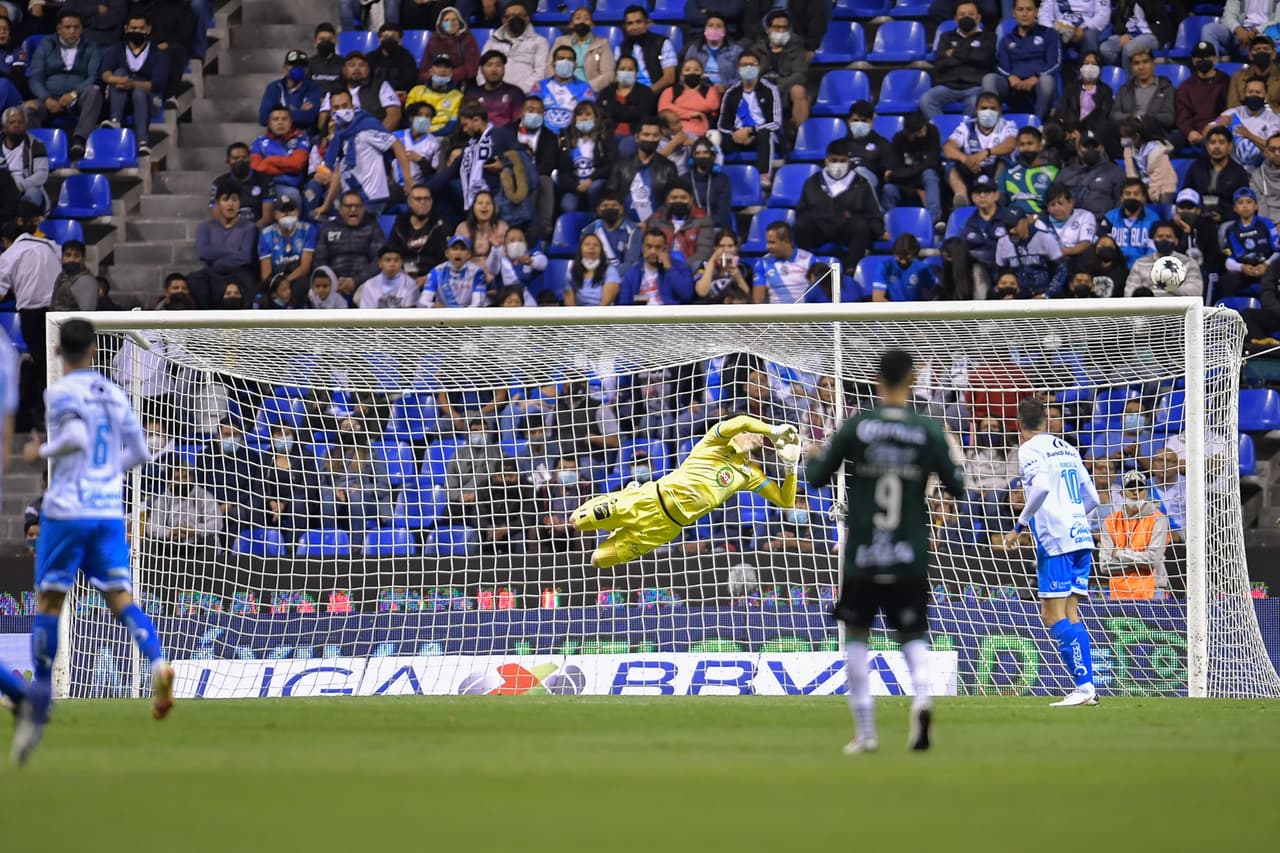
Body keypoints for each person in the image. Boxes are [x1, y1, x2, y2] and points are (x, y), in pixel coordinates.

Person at [11, 318, 175, 766]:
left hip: (66, 510)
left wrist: (37, 453)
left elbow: (76, 437)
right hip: (107, 510)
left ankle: (40, 695)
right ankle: (158, 663)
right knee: (121, 597)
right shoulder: (116, 394)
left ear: (59, 352)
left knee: (49, 601)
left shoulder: (60, 393)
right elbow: (141, 451)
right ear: (97, 350)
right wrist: (106, 473)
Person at [807, 349, 965, 753]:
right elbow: (958, 487)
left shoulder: (859, 426)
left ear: (878, 380)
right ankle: (924, 698)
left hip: (863, 555)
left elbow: (817, 478)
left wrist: (813, 457)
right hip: (908, 553)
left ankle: (866, 732)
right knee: (912, 635)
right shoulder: (927, 430)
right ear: (912, 380)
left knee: (857, 637)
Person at [571, 414, 799, 568]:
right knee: (578, 521)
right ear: (738, 434)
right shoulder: (713, 442)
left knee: (598, 560)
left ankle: (619, 528)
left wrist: (791, 468)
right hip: (647, 499)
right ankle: (621, 501)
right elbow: (740, 420)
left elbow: (785, 501)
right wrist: (774, 430)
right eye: (755, 432)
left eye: (763, 438)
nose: (760, 437)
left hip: (664, 529)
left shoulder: (749, 474)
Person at [999, 396, 1101, 706]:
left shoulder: (1029, 449)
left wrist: (1018, 526)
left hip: (1055, 540)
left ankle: (1084, 689)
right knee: (1071, 613)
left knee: (1051, 614)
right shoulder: (1068, 447)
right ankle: (1087, 688)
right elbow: (1094, 498)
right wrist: (1072, 516)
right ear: (1047, 422)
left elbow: (1041, 487)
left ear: (1019, 426)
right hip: (1081, 536)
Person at [0, 206, 58, 431]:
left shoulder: (9, 255)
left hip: (33, 314)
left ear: (6, 240)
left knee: (44, 366)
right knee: (52, 362)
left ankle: (44, 415)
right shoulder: (50, 245)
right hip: (58, 310)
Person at [317, 90, 415, 218]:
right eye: (336, 107)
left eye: (345, 105)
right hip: (350, 198)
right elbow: (339, 172)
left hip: (372, 198)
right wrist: (326, 205)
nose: (341, 110)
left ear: (352, 105)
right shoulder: (340, 135)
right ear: (331, 111)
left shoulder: (368, 125)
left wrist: (408, 180)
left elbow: (397, 146)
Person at [794, 139, 884, 273]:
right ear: (826, 160)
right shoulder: (813, 182)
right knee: (802, 223)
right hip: (819, 229)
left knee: (861, 225)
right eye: (834, 160)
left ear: (848, 161)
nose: (838, 164)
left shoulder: (860, 182)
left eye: (842, 161)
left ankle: (852, 268)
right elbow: (801, 211)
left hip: (846, 231)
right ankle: (805, 268)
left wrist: (880, 231)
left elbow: (872, 212)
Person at [25, 11, 104, 161]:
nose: (72, 31)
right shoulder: (46, 45)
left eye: (76, 27)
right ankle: (37, 149)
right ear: (59, 29)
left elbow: (94, 76)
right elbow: (35, 78)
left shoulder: (91, 46)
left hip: (78, 99)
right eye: (67, 27)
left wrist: (74, 93)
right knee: (28, 110)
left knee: (94, 92)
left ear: (82, 29)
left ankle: (80, 141)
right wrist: (46, 98)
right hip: (48, 99)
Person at [98, 13, 167, 156]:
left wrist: (133, 84)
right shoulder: (116, 50)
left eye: (141, 28)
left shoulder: (158, 54)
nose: (137, 32)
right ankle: (115, 120)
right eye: (133, 28)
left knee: (138, 92)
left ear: (148, 29)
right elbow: (105, 74)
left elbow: (157, 84)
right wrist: (119, 80)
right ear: (126, 29)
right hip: (120, 96)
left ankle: (143, 141)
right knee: (119, 72)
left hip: (149, 100)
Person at [982, 0, 1060, 118]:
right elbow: (1000, 64)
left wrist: (1036, 77)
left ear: (1037, 12)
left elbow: (1055, 63)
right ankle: (995, 124)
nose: (1024, 14)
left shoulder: (1049, 34)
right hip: (1012, 86)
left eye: (1029, 9)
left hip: (1037, 85)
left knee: (1047, 81)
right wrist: (1010, 77)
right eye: (1020, 9)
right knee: (989, 79)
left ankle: (1038, 123)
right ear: (1014, 13)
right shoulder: (1007, 39)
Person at [921, 1, 996, 119]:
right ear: (955, 18)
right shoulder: (946, 37)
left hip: (975, 86)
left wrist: (954, 53)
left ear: (978, 18)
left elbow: (984, 60)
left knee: (975, 103)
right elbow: (940, 64)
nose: (966, 17)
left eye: (970, 14)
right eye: (962, 15)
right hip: (948, 85)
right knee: (926, 100)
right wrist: (971, 55)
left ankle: (963, 134)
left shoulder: (989, 37)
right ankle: (943, 132)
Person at [716, 50, 783, 185]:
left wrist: (751, 131)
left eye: (752, 65)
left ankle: (764, 176)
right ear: (738, 68)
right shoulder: (731, 92)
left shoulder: (770, 89)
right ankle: (716, 176)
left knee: (766, 134)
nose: (748, 68)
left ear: (758, 67)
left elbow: (776, 122)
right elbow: (722, 124)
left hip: (760, 135)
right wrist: (735, 133)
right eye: (744, 65)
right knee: (713, 136)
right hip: (736, 136)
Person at [189, 180, 258, 308]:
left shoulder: (249, 228)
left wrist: (219, 261)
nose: (230, 204)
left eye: (234, 199)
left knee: (249, 281)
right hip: (213, 273)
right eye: (225, 200)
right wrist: (231, 251)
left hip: (239, 272)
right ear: (217, 203)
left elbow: (245, 256)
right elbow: (203, 252)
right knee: (195, 279)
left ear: (240, 203)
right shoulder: (205, 227)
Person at [943, 91, 1017, 207]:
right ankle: (961, 197)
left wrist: (986, 153)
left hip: (994, 168)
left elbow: (1011, 144)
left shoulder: (1007, 125)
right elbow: (948, 148)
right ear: (976, 111)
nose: (988, 112)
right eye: (984, 108)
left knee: (1005, 159)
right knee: (950, 162)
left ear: (1000, 111)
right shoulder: (966, 127)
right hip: (972, 169)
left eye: (993, 109)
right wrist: (965, 159)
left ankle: (996, 197)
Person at [314, 192, 386, 301]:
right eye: (348, 206)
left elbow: (379, 260)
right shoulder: (328, 228)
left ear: (363, 209)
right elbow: (319, 260)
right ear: (340, 209)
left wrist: (355, 281)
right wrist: (333, 282)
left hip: (364, 284)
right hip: (331, 284)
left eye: (357, 206)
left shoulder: (372, 227)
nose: (353, 210)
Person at [606, 116, 678, 224]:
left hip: (657, 227)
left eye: (655, 135)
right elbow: (612, 197)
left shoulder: (668, 167)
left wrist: (653, 221)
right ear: (637, 137)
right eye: (646, 135)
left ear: (660, 138)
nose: (650, 139)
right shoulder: (621, 165)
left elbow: (670, 201)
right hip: (625, 224)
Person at [1184, 125, 1253, 226]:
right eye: (1212, 143)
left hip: (1226, 219)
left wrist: (1223, 216)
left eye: (1221, 142)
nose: (1216, 146)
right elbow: (1186, 192)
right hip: (1198, 215)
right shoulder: (1196, 167)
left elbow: (1243, 204)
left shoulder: (1239, 172)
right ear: (1207, 146)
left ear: (1230, 146)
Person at [1109, 48, 1179, 148]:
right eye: (1136, 63)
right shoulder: (1125, 89)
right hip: (1130, 131)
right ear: (1132, 67)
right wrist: (1134, 118)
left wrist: (1145, 119)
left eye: (1145, 62)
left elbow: (1169, 118)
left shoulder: (1167, 88)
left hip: (1156, 133)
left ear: (1153, 64)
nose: (1141, 67)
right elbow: (1114, 115)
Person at [1218, 186, 1280, 298]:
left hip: (1267, 268)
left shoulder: (1266, 224)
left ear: (1255, 206)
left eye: (1249, 202)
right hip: (1243, 271)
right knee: (1226, 281)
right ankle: (1227, 313)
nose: (1245, 206)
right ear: (1235, 208)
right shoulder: (1231, 230)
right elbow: (1229, 261)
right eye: (1240, 202)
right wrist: (1242, 267)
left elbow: (1277, 252)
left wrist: (1266, 265)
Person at [995, 204, 1069, 297]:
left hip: (1046, 295)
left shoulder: (1045, 238)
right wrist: (1007, 292)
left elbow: (1062, 270)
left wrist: (1046, 294)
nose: (1011, 231)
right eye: (1008, 227)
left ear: (1024, 222)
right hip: (1017, 297)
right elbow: (999, 273)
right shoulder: (1003, 242)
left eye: (1014, 226)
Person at [753, 9, 809, 130]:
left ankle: (801, 135)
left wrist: (780, 86)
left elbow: (800, 75)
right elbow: (750, 72)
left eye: (785, 28)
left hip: (785, 89)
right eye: (777, 27)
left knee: (799, 90)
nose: (781, 31)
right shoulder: (756, 50)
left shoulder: (797, 50)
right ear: (767, 30)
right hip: (762, 87)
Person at [884, 111, 944, 226]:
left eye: (923, 128)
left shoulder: (932, 132)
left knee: (929, 174)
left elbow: (932, 163)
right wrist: (915, 190)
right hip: (906, 185)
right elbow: (892, 174)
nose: (923, 132)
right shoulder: (898, 139)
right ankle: (889, 225)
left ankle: (933, 220)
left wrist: (903, 174)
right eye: (919, 131)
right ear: (909, 133)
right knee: (888, 189)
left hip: (922, 180)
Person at [1049, 127, 1123, 218]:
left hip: (1100, 224)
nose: (1090, 150)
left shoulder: (1114, 172)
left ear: (1102, 148)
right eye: (1086, 146)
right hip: (1069, 223)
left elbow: (1120, 201)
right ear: (1079, 149)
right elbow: (1052, 197)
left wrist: (1110, 222)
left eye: (1094, 146)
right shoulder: (1066, 173)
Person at [477, 0, 549, 93]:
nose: (516, 19)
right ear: (504, 20)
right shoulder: (493, 40)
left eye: (519, 15)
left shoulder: (540, 42)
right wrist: (488, 89)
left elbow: (540, 73)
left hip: (524, 94)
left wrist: (517, 92)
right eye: (511, 16)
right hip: (493, 93)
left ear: (527, 18)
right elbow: (482, 69)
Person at [251, 107, 312, 213]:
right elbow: (256, 167)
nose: (280, 123)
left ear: (291, 122)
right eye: (276, 119)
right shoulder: (259, 142)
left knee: (292, 195)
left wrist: (269, 161)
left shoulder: (301, 139)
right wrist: (286, 166)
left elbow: (297, 164)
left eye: (284, 119)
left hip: (288, 187)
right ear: (269, 123)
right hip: (263, 186)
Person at [1213, 76, 1280, 170]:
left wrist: (1249, 135)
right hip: (1232, 169)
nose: (1254, 95)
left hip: (1261, 169)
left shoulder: (1274, 119)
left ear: (1265, 95)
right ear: (1244, 94)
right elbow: (1207, 132)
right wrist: (1218, 125)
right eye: (1250, 92)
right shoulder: (1232, 113)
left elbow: (1272, 147)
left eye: (1258, 92)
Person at [257, 196, 315, 302]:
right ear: (275, 215)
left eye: (291, 209)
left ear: (297, 212)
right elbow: (266, 273)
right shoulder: (266, 234)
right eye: (283, 210)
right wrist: (278, 284)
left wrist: (286, 282)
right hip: (276, 277)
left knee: (302, 285)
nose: (287, 213)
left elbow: (305, 267)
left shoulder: (307, 229)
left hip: (297, 277)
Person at [618, 225, 695, 305]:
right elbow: (624, 304)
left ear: (665, 248)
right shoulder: (632, 273)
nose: (653, 251)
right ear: (642, 247)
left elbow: (687, 295)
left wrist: (669, 268)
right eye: (649, 246)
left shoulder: (679, 266)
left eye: (658, 247)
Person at [386, 184, 451, 280]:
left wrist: (427, 278)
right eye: (418, 199)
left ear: (431, 201)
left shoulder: (441, 225)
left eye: (426, 199)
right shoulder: (400, 223)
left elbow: (446, 261)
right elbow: (391, 252)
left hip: (433, 280)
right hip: (402, 277)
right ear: (409, 202)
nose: (423, 202)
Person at [1125, 220, 1204, 297]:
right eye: (1160, 236)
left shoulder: (1189, 263)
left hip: (1177, 307)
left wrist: (1167, 284)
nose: (1164, 239)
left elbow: (1195, 291)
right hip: (1147, 307)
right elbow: (1129, 293)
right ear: (1153, 240)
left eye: (1168, 237)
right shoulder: (1140, 263)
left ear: (1176, 240)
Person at [754, 220, 826, 303]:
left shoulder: (809, 259)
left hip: (804, 312)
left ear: (786, 241)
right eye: (767, 242)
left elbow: (819, 292)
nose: (767, 247)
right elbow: (758, 300)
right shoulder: (762, 263)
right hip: (776, 314)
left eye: (772, 242)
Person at [1177, 42, 1230, 151]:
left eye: (1207, 57)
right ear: (1193, 60)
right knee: (1170, 142)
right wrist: (1189, 131)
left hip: (1218, 130)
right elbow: (1183, 113)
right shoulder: (1186, 86)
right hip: (1193, 132)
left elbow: (1228, 110)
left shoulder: (1226, 81)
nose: (1203, 60)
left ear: (1215, 59)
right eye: (1199, 57)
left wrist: (1213, 126)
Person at [532, 44, 596, 135]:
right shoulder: (540, 86)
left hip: (572, 135)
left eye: (569, 59)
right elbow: (532, 112)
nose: (565, 62)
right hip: (543, 136)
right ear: (552, 63)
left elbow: (586, 116)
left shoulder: (585, 88)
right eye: (561, 58)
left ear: (575, 65)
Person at [549, 5, 615, 93]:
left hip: (590, 90)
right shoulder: (560, 41)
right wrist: (558, 87)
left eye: (586, 19)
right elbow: (549, 67)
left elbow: (608, 74)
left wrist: (585, 88)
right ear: (571, 24)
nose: (582, 22)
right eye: (578, 18)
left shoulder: (602, 44)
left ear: (592, 25)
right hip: (561, 88)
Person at [1051, 50, 1115, 140]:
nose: (1090, 67)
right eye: (1086, 63)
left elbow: (1104, 117)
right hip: (1071, 132)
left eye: (1094, 64)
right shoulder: (1071, 88)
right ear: (1081, 67)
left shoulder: (1106, 90)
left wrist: (1087, 134)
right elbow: (1062, 111)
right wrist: (1069, 132)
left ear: (1100, 68)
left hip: (1094, 135)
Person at [616, 4, 678, 96]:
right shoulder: (620, 48)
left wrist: (647, 94)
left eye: (638, 22)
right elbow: (617, 78)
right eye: (630, 23)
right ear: (625, 27)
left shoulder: (662, 43)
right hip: (629, 95)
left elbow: (669, 77)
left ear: (647, 23)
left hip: (655, 94)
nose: (635, 27)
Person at [597, 55, 658, 144]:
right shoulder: (606, 92)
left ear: (636, 72)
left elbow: (642, 114)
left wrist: (613, 109)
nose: (626, 72)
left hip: (636, 136)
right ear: (616, 72)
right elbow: (600, 113)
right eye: (622, 69)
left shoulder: (645, 92)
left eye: (630, 69)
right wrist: (630, 110)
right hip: (608, 134)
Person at [259, 49, 323, 133]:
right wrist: (298, 112)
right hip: (277, 139)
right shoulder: (274, 88)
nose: (298, 69)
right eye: (293, 65)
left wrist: (278, 116)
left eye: (301, 66)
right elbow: (263, 118)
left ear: (307, 70)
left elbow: (310, 117)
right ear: (285, 68)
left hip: (304, 138)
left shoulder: (314, 89)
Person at [0, 108, 51, 213]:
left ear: (26, 126)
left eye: (20, 122)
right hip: (3, 189)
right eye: (12, 122)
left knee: (33, 193)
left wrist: (20, 185)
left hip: (26, 188)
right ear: (4, 128)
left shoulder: (37, 144)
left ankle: (27, 226)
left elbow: (41, 174)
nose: (16, 125)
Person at [1100, 177, 1159, 266]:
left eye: (1136, 194)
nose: (1132, 197)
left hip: (1143, 267)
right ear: (1121, 197)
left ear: (1143, 197)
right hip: (1115, 266)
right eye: (1128, 193)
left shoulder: (1153, 219)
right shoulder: (1110, 217)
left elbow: (1154, 248)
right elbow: (1103, 244)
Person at [580, 192, 642, 275]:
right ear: (598, 210)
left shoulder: (633, 231)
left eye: (614, 205)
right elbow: (584, 259)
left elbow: (630, 264)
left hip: (621, 279)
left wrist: (609, 277)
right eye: (605, 206)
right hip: (595, 276)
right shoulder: (589, 231)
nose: (609, 208)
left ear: (621, 208)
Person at [659, 57, 721, 139]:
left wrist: (677, 106)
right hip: (674, 134)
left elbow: (712, 105)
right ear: (681, 75)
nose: (692, 72)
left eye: (696, 70)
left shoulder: (711, 90)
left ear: (702, 74)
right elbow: (663, 109)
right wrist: (691, 114)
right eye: (687, 70)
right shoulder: (670, 91)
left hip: (702, 135)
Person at [420, 234, 489, 307]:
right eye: (455, 249)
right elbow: (423, 301)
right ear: (447, 253)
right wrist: (432, 306)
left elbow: (478, 302)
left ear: (469, 254)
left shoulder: (477, 273)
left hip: (467, 316)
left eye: (462, 249)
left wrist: (463, 315)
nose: (458, 253)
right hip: (443, 315)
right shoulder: (436, 272)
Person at [1003, 125, 1058, 214]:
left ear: (1040, 145)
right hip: (1013, 222)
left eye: (1030, 143)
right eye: (1022, 144)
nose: (1026, 148)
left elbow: (1056, 205)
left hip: (1043, 222)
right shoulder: (1007, 173)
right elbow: (1001, 204)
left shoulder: (1053, 172)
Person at [1101, 0, 1174, 67]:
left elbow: (1158, 18)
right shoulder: (1126, 2)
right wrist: (1124, 34)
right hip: (1130, 34)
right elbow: (1118, 19)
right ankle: (1121, 73)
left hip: (1151, 35)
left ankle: (1130, 79)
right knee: (1106, 48)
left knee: (1129, 48)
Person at [406, 54, 466, 135]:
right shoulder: (416, 91)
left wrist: (431, 137)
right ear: (430, 71)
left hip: (443, 138)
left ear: (451, 72)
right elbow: (408, 118)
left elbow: (453, 124)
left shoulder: (458, 97)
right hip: (414, 134)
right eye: (439, 66)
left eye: (446, 67)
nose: (442, 70)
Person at [682, 14, 743, 92]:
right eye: (711, 25)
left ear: (725, 31)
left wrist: (726, 87)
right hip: (698, 91)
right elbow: (685, 72)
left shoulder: (736, 51)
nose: (714, 28)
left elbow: (740, 77)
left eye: (719, 26)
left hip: (726, 92)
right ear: (705, 30)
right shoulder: (694, 49)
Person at [465, 50, 524, 129]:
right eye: (489, 65)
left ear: (504, 69)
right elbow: (466, 121)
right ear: (482, 70)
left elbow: (518, 121)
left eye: (498, 65)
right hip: (478, 138)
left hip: (505, 138)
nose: (494, 69)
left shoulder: (515, 93)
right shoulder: (473, 94)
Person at [1044, 183, 1097, 270]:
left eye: (1060, 203)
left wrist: (1062, 252)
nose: (1056, 208)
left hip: (1077, 261)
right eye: (1052, 205)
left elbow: (1085, 244)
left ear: (1071, 203)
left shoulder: (1085, 216)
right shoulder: (1042, 222)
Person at [424, 7, 480, 88]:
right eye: (446, 20)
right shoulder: (433, 41)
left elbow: (472, 67)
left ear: (459, 22)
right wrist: (432, 76)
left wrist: (449, 74)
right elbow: (423, 72)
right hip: (434, 84)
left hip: (461, 84)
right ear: (440, 23)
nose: (451, 23)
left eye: (454, 20)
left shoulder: (468, 39)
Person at [694, 229, 753, 303]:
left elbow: (749, 299)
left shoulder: (744, 269)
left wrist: (738, 277)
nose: (726, 250)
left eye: (730, 246)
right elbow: (702, 292)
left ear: (736, 248)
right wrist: (712, 262)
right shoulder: (705, 266)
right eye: (721, 246)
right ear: (715, 248)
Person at [688, 136, 733, 231]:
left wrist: (703, 223)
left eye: (705, 153)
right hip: (691, 228)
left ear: (712, 156)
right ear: (692, 158)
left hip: (716, 227)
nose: (701, 156)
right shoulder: (684, 180)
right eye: (698, 153)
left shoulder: (723, 180)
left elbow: (723, 213)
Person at [563, 232, 619, 306]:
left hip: (603, 314)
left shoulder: (611, 271)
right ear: (581, 249)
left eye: (596, 245)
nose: (591, 247)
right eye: (587, 244)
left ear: (601, 251)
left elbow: (606, 303)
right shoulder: (571, 271)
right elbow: (569, 304)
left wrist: (594, 317)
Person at [1039, 0, 1110, 58]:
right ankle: (1048, 72)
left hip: (1086, 27)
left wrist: (1082, 28)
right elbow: (1044, 15)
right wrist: (1052, 30)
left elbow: (1103, 15)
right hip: (1059, 27)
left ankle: (1088, 71)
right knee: (1046, 36)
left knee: (1089, 36)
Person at [1226, 34, 1280, 110]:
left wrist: (1267, 115)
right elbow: (1232, 106)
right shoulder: (1238, 76)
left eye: (1266, 49)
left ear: (1273, 54)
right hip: (1246, 119)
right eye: (1257, 49)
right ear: (1250, 54)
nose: (1261, 52)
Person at [368, 22, 420, 98]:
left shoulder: (408, 58)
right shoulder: (370, 58)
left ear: (400, 40)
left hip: (399, 97)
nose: (389, 39)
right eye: (385, 37)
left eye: (392, 37)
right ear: (379, 39)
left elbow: (410, 83)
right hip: (374, 97)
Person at [50, 239, 98, 311]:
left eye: (76, 256)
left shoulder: (85, 280)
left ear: (83, 259)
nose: (71, 259)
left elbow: (87, 314)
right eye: (67, 255)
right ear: (62, 257)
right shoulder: (62, 276)